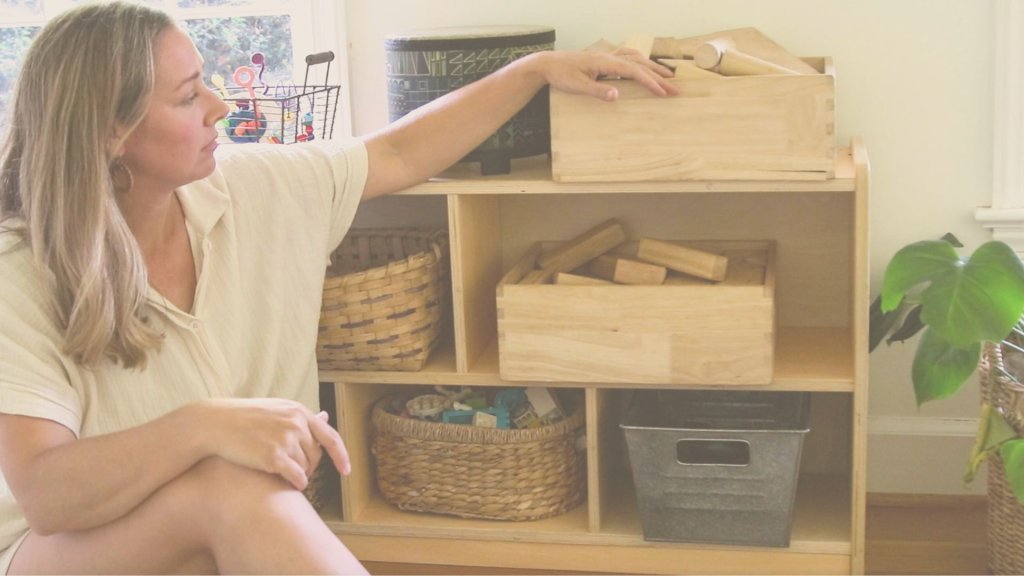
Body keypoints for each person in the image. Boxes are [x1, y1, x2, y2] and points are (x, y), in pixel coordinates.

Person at [0, 2, 676, 574]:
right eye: (187, 96)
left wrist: (532, 72)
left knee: (235, 497)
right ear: (111, 133)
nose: (221, 105)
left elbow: (399, 153)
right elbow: (50, 497)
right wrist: (205, 426)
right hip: (63, 549)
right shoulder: (21, 268)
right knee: (226, 487)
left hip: (224, 525)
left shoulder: (254, 187)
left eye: (205, 82)